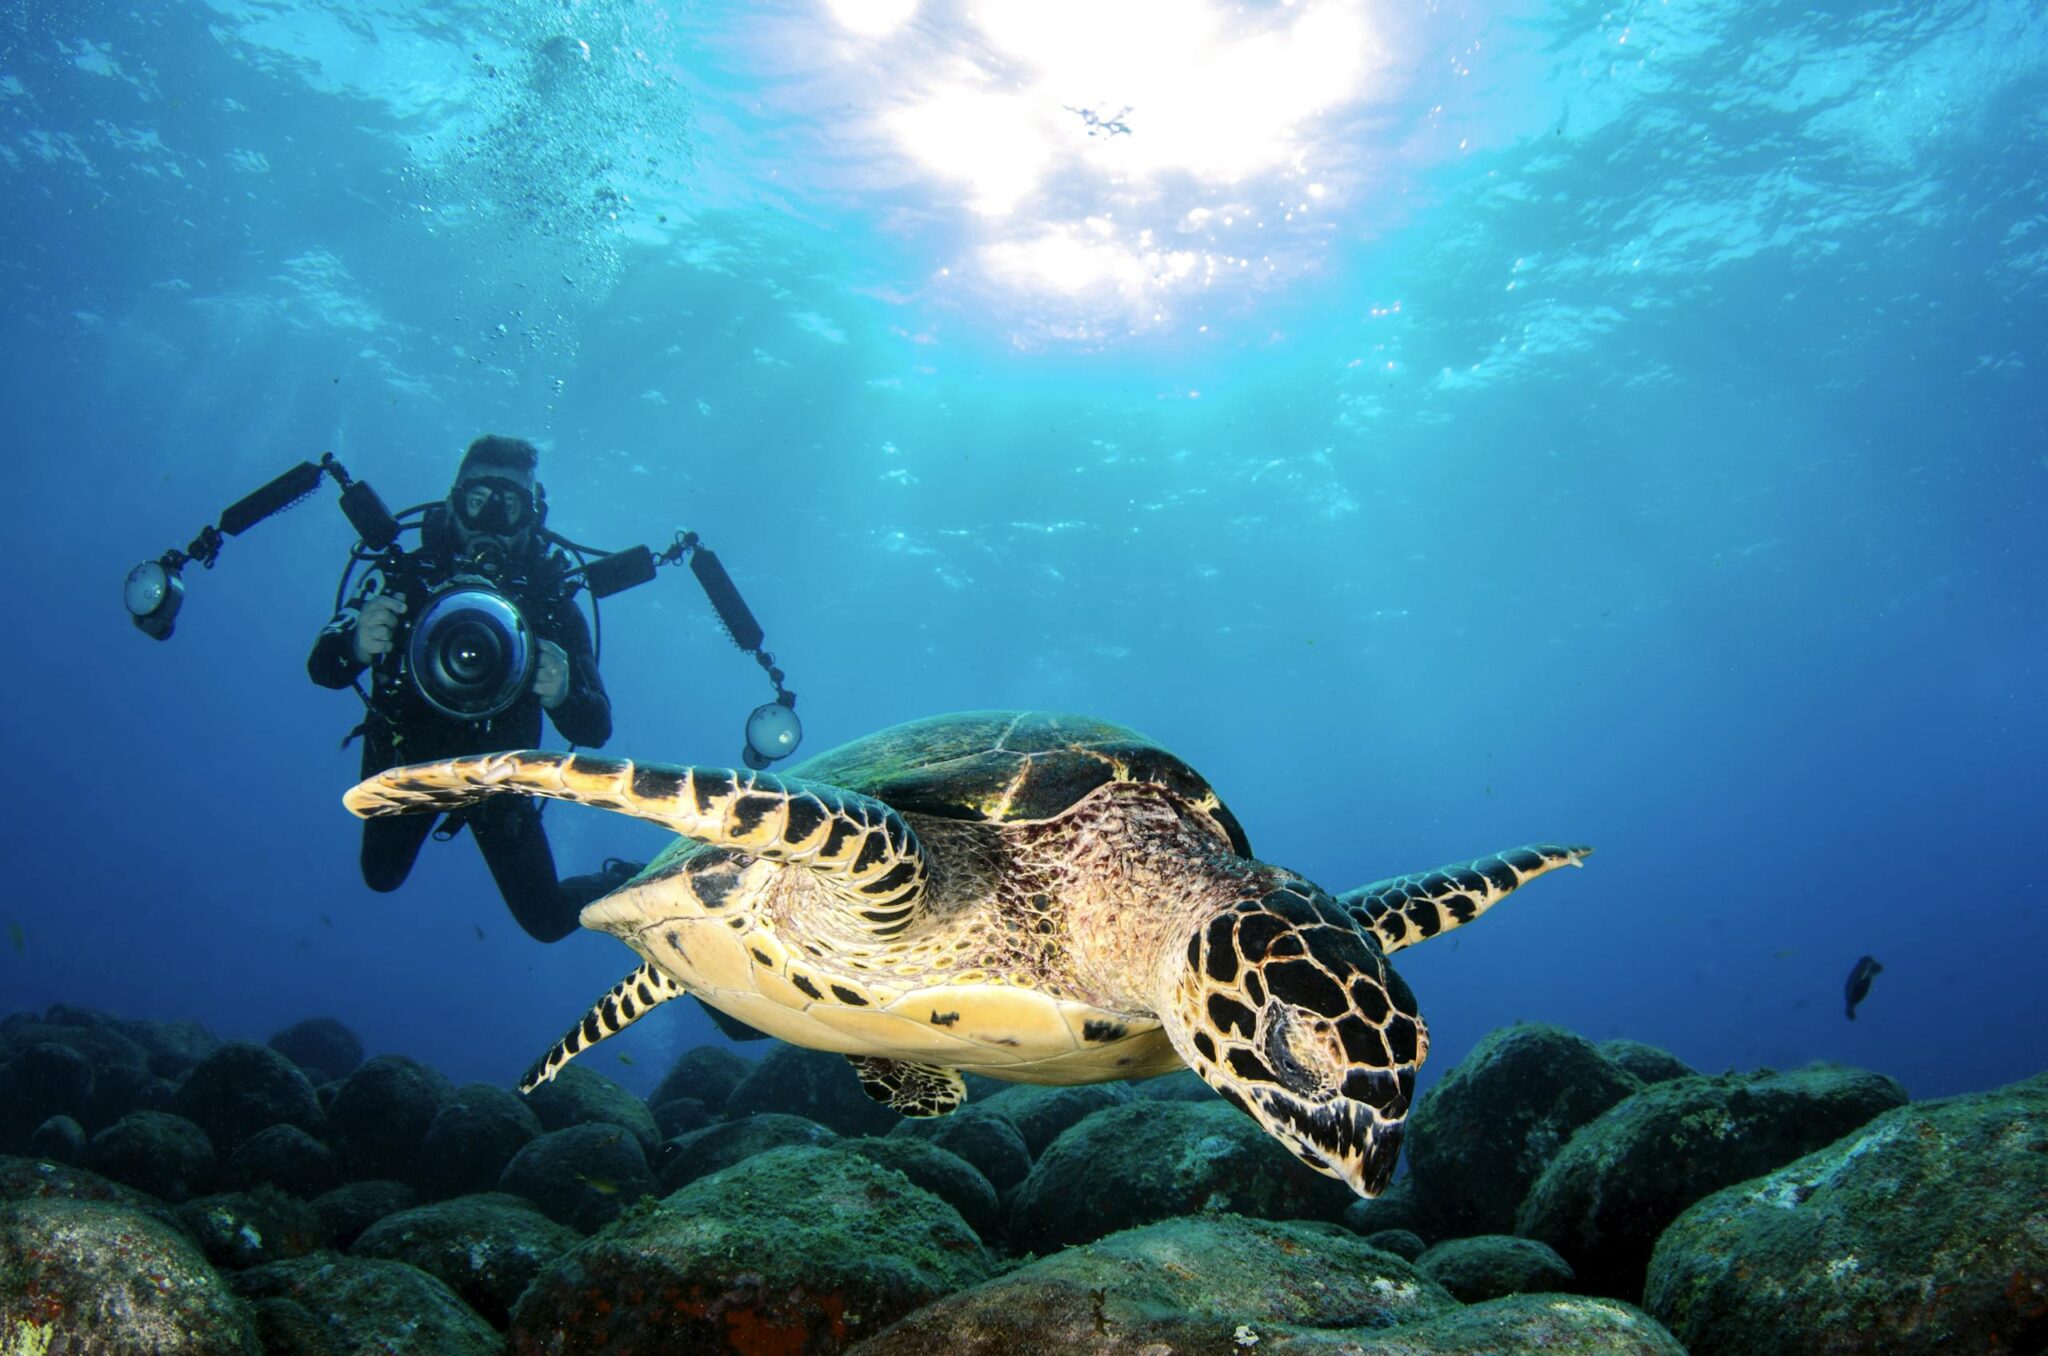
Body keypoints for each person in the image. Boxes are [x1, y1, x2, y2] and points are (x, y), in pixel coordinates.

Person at [309, 435, 637, 941]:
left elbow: (595, 730)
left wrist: (565, 692)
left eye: (510, 505)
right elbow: (322, 668)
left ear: (533, 515)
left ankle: (627, 883)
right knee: (380, 877)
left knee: (547, 920)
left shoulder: (553, 606)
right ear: (452, 501)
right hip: (404, 761)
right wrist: (354, 644)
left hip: (498, 777)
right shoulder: (404, 578)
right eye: (478, 500)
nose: (490, 521)